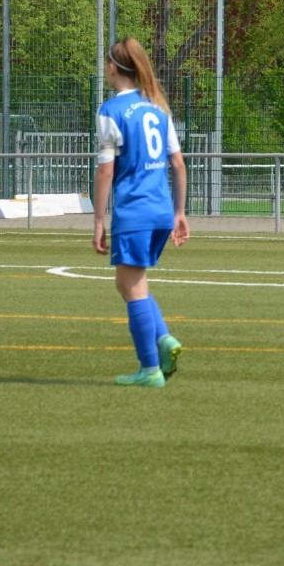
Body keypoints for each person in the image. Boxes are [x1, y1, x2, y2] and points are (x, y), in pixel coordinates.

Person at [93, 37, 189, 386]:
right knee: (130, 283)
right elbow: (178, 164)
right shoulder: (158, 107)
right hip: (161, 210)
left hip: (134, 210)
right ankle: (163, 339)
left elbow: (106, 171)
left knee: (131, 288)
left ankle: (150, 369)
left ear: (113, 67)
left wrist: (98, 220)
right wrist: (180, 212)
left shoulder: (111, 110)